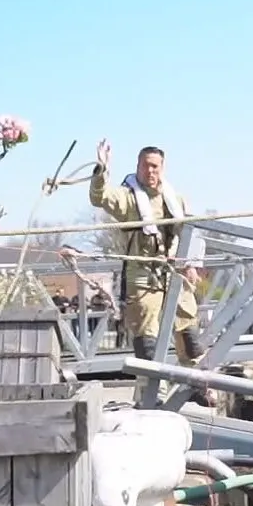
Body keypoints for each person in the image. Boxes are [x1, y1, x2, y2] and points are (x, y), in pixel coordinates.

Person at [89, 140, 214, 407]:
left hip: (174, 271)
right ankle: (152, 394)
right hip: (142, 273)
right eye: (145, 166)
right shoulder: (127, 198)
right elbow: (99, 197)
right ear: (138, 166)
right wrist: (101, 169)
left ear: (163, 168)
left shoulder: (175, 199)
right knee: (147, 338)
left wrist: (191, 263)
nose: (150, 171)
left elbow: (189, 234)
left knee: (188, 330)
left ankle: (197, 384)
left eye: (155, 166)